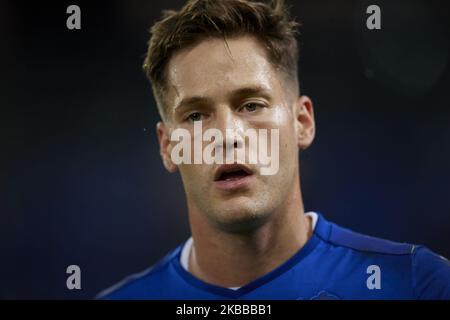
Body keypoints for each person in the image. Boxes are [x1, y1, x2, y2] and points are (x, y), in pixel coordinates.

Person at [98, 0, 450, 299]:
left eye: (251, 105)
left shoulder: (416, 284)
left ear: (302, 122)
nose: (226, 136)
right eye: (194, 115)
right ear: (168, 147)